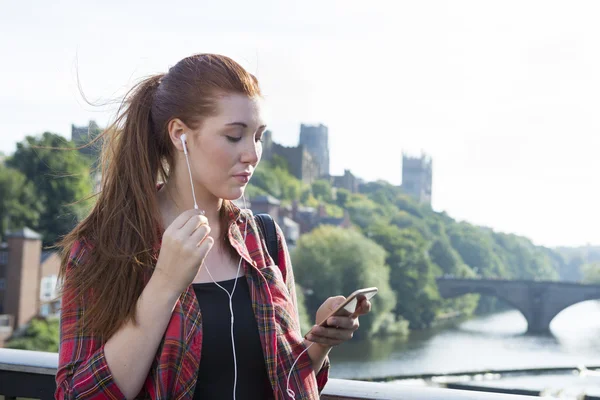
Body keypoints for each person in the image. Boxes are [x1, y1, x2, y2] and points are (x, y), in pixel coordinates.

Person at [55, 53, 371, 400]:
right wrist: (165, 284)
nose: (252, 154)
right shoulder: (102, 247)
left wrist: (321, 344)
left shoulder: (263, 237)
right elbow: (75, 395)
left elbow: (286, 377)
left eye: (258, 136)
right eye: (235, 136)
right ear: (180, 135)